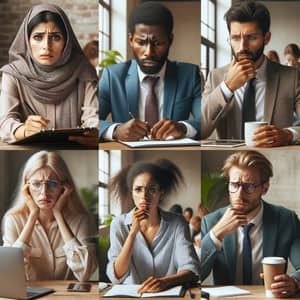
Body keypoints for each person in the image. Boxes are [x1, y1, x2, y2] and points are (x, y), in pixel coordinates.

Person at [201, 151, 300, 298]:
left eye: (249, 187)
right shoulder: (210, 222)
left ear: (264, 188)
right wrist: (216, 234)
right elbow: (195, 276)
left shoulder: (286, 219)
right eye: (234, 184)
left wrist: (295, 282)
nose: (239, 195)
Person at [201, 1, 300, 147]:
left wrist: (288, 134)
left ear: (266, 38)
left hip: (277, 161)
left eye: (251, 37)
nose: (242, 47)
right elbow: (201, 130)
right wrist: (227, 87)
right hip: (228, 161)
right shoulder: (215, 77)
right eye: (235, 38)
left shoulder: (292, 77)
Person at [99, 2, 200, 141]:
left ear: (170, 40)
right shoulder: (112, 76)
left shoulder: (190, 75)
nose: (149, 52)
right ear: (130, 40)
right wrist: (116, 130)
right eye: (141, 42)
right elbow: (91, 122)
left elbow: (204, 121)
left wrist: (182, 128)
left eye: (158, 43)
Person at [0, 4, 98, 146]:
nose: (46, 45)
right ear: (27, 41)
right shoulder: (13, 74)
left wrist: (95, 131)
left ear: (66, 42)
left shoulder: (83, 70)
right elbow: (4, 122)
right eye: (38, 37)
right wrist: (23, 130)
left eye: (55, 37)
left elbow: (94, 117)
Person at [106, 159, 200, 293]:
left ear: (161, 192)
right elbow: (116, 276)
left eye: (151, 189)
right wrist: (132, 233)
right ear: (131, 192)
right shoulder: (118, 224)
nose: (144, 196)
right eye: (138, 189)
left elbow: (191, 269)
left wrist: (165, 282)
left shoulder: (178, 223)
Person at [2, 151, 98, 281]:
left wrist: (58, 215)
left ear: (64, 187)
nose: (44, 193)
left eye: (52, 184)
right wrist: (33, 216)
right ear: (26, 188)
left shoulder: (80, 219)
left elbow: (85, 274)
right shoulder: (13, 219)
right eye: (36, 184)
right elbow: (9, 274)